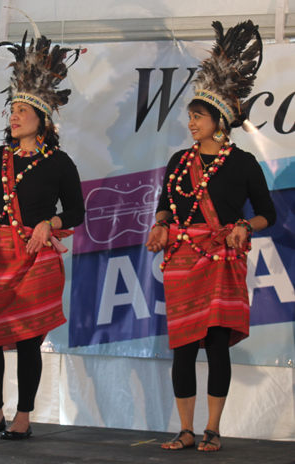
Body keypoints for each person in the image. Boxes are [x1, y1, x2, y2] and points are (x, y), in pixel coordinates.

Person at [145, 21, 276, 452]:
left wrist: (242, 226)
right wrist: (161, 223)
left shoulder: (242, 164)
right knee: (183, 347)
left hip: (222, 258)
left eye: (198, 116)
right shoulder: (179, 161)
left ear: (219, 121)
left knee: (217, 344)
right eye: (190, 115)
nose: (191, 122)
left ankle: (213, 429)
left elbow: (267, 214)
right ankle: (184, 429)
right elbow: (166, 203)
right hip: (182, 259)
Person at [0, 26, 85, 440]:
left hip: (37, 254)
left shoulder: (59, 162)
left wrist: (48, 223)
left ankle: (23, 416)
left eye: (22, 111)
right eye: (12, 109)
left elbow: (76, 211)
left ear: (42, 120)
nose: (13, 115)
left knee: (29, 338)